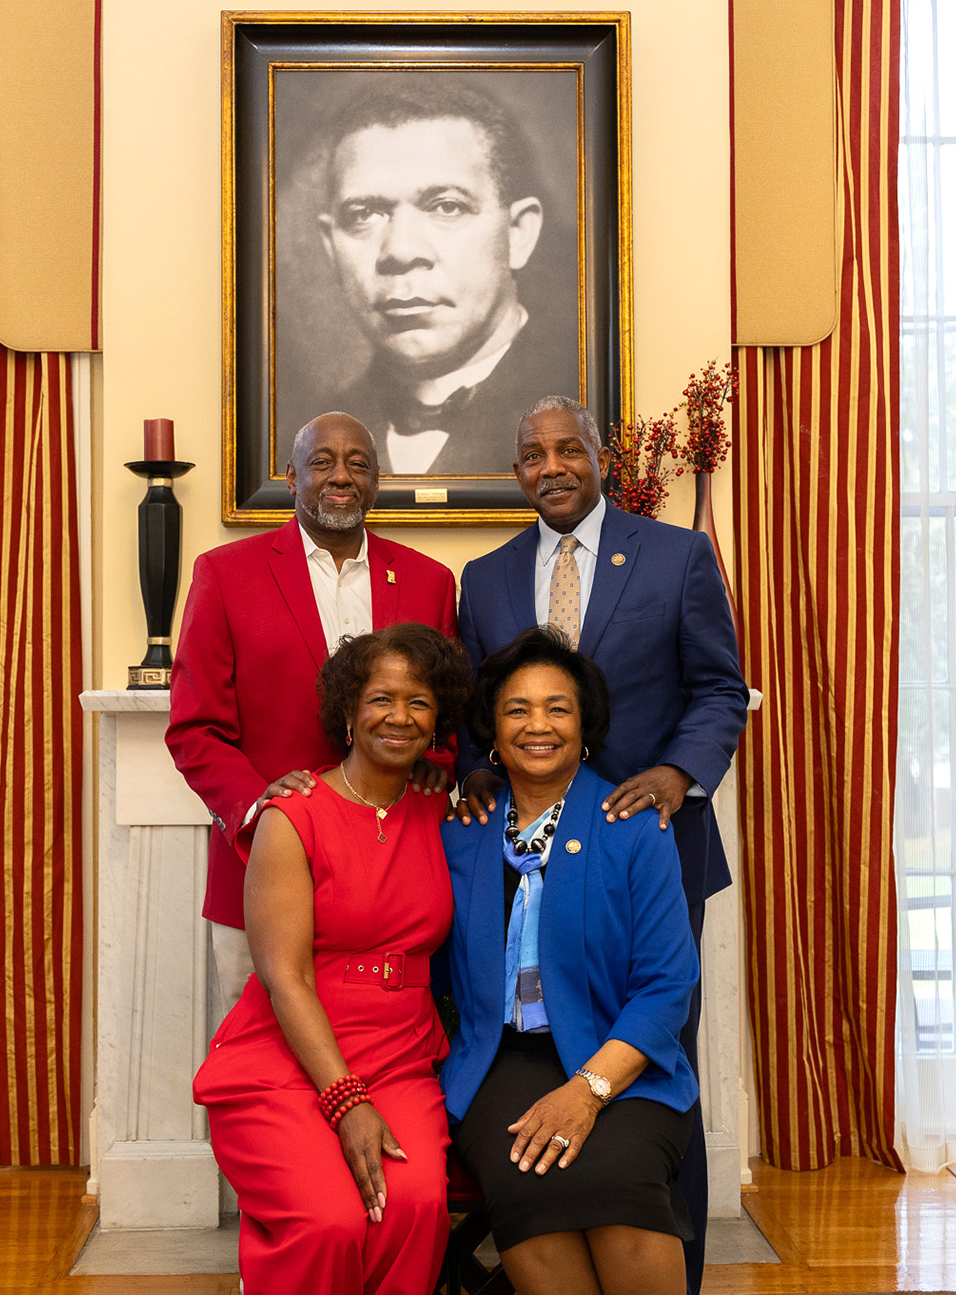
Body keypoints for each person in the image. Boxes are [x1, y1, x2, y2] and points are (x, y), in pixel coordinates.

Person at [453, 393, 748, 1293]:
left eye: (568, 449)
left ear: (599, 457)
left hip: (645, 845)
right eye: (533, 454)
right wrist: (475, 778)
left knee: (657, 1047)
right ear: (517, 473)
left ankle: (674, 1261)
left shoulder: (678, 554)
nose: (552, 466)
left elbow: (719, 689)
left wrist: (675, 775)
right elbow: (481, 713)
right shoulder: (487, 576)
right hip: (521, 852)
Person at [194, 623, 474, 1294]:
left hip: (401, 1055)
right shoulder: (294, 816)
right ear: (347, 712)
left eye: (418, 702)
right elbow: (283, 978)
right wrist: (346, 1100)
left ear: (437, 719)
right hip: (286, 1055)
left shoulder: (442, 809)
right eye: (381, 698)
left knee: (415, 1207)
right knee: (329, 1222)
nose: (399, 716)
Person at [168, 412, 458, 1017]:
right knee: (261, 1070)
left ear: (377, 479)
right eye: (322, 462)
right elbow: (195, 728)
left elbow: (446, 714)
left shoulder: (430, 582)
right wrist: (258, 805)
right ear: (292, 476)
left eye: (357, 462)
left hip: (394, 878)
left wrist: (438, 762)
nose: (341, 475)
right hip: (263, 867)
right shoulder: (225, 575)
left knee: (387, 1063)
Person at [441, 626, 699, 1295]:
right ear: (492, 733)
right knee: (530, 1173)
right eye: (517, 709)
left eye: (558, 707)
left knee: (619, 1185)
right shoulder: (459, 835)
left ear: (584, 727)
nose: (538, 725)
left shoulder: (636, 826)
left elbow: (669, 983)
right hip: (499, 1061)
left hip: (623, 1061)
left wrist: (588, 1090)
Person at [312, 79, 579, 476]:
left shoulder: (585, 406)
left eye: (447, 206)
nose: (400, 251)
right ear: (331, 248)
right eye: (363, 215)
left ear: (518, 233)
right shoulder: (306, 432)